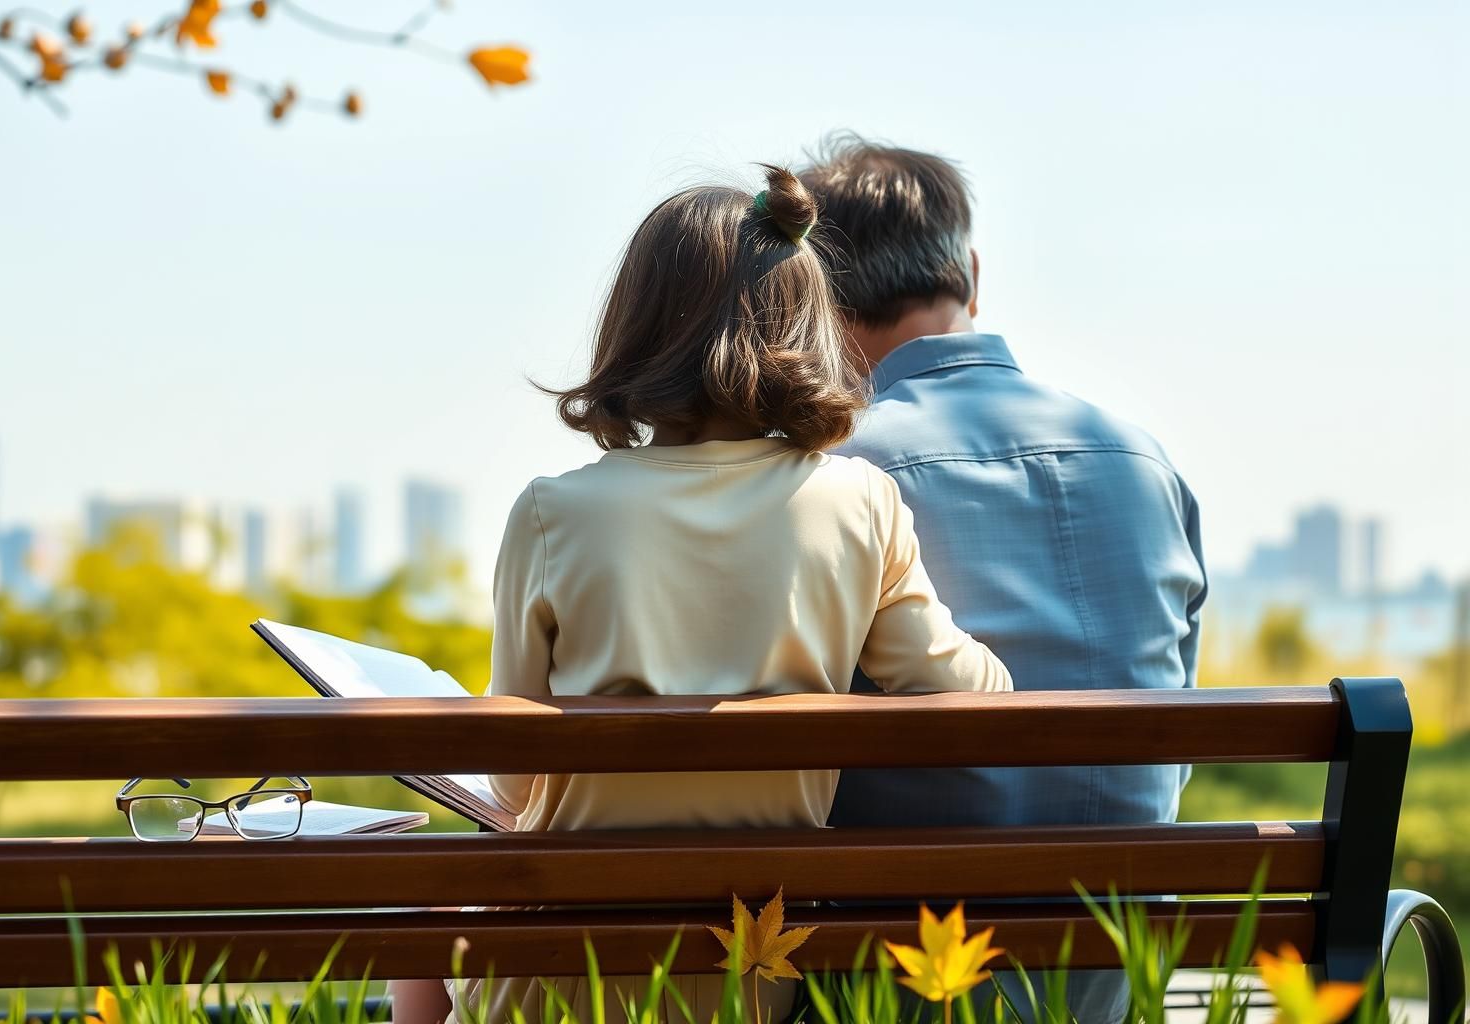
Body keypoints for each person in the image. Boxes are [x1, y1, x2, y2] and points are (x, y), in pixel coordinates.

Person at [391, 166, 1012, 1024]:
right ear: (808, 324)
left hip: (561, 974)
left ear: (637, 328)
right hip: (748, 974)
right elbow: (964, 693)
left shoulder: (554, 513)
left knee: (428, 913)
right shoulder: (859, 502)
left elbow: (515, 776)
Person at [798, 137, 1208, 1023]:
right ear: (971, 275)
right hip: (1116, 966)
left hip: (907, 975)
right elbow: (1172, 739)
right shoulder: (1142, 459)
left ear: (812, 298)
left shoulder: (832, 481)